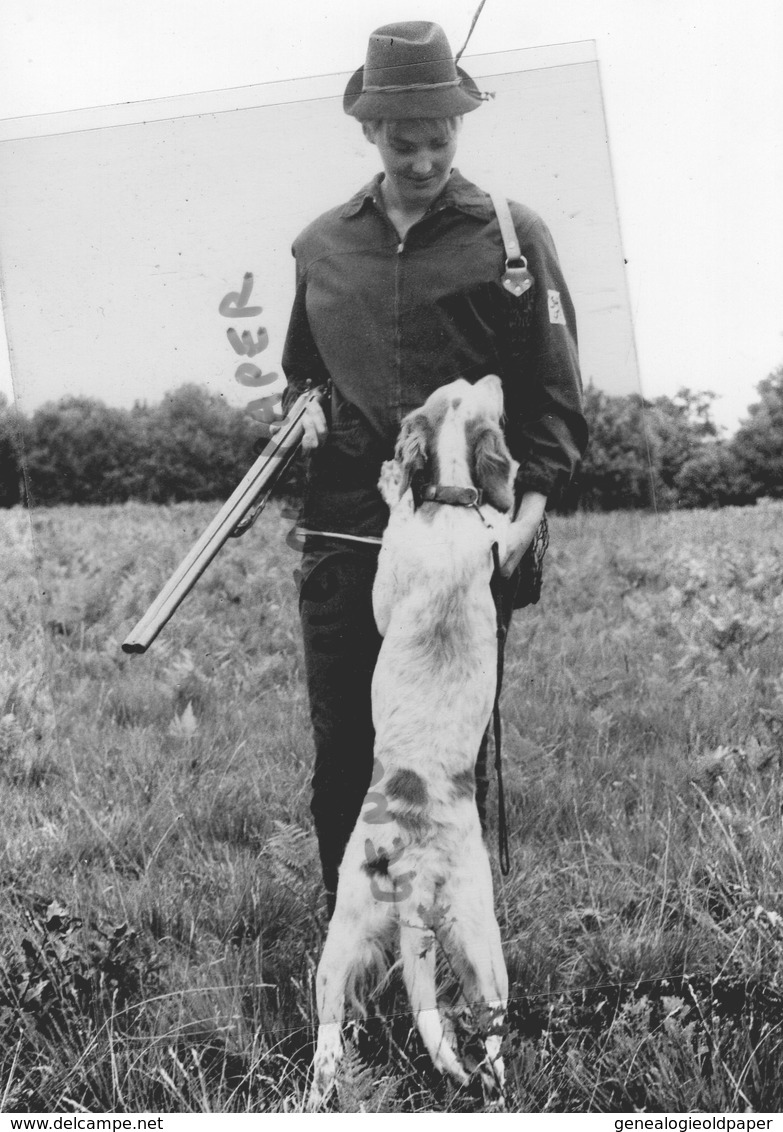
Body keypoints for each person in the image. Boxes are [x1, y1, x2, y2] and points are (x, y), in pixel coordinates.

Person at [280, 21, 588, 917]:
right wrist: (298, 414)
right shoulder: (320, 247)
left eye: (439, 139)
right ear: (368, 133)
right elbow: (303, 375)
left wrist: (514, 536)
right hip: (346, 539)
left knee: (444, 761)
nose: (422, 160)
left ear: (460, 127)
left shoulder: (512, 237)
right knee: (345, 758)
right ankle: (356, 956)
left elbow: (555, 405)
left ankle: (444, 950)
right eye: (401, 141)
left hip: (464, 551)